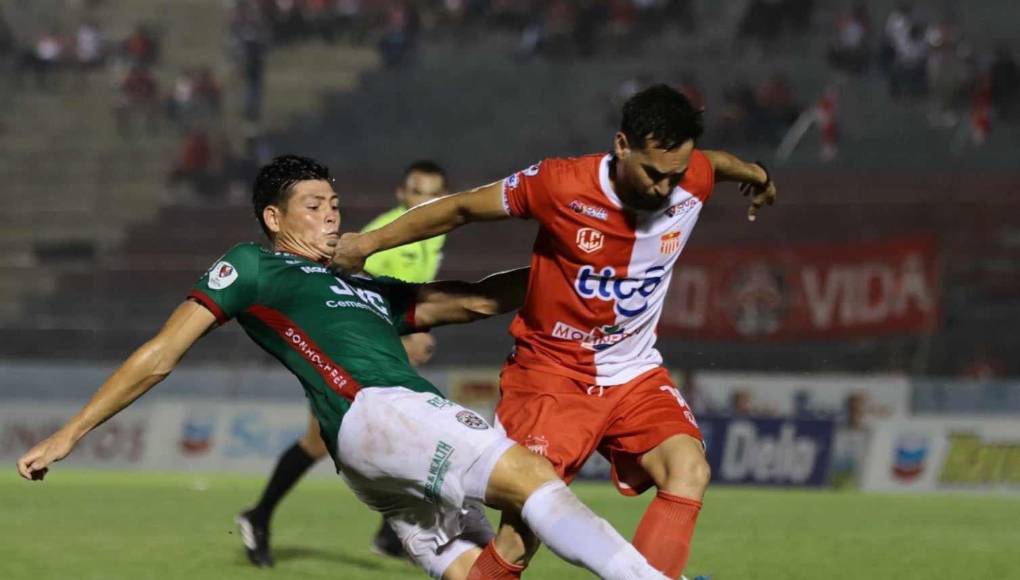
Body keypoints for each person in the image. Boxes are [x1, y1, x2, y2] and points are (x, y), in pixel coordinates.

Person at [16, 155, 669, 580]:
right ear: (274, 219)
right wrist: (71, 432)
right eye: (313, 204)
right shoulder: (254, 264)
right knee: (531, 476)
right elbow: (162, 352)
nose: (331, 212)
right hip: (377, 408)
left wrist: (571, 272)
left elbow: (472, 299)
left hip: (368, 452)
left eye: (334, 202)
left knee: (488, 564)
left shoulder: (366, 285)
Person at [332, 84, 779, 578]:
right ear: (622, 145)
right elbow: (459, 209)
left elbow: (715, 164)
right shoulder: (560, 184)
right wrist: (368, 243)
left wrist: (757, 175)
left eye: (674, 176)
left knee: (689, 470)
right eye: (652, 173)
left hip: (633, 372)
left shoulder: (688, 175)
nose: (662, 188)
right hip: (551, 376)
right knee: (519, 538)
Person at [237, 160, 450, 566]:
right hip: (344, 359)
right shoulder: (386, 237)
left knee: (399, 437)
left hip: (381, 362)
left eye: (436, 195)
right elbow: (355, 299)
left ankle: (390, 535)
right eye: (419, 193)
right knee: (319, 442)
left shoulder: (431, 237)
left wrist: (414, 332)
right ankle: (259, 515)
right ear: (402, 195)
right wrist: (405, 337)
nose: (427, 202)